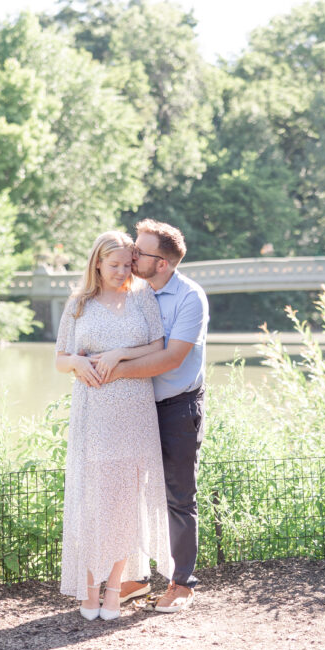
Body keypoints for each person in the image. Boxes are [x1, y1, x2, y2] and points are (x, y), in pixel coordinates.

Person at [54, 230, 174, 621]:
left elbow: (158, 348)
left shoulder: (143, 298)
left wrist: (120, 354)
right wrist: (78, 363)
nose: (122, 271)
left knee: (125, 500)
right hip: (94, 413)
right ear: (98, 264)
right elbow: (60, 358)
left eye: (128, 264)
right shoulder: (78, 304)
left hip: (134, 410)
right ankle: (89, 592)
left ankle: (113, 594)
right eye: (115, 265)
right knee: (94, 502)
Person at [98, 218, 209, 613]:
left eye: (139, 251)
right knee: (130, 495)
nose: (130, 255)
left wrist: (113, 370)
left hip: (178, 407)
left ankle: (182, 585)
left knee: (178, 497)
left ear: (161, 263)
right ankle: (136, 580)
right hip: (136, 406)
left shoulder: (190, 298)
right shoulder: (134, 290)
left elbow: (171, 357)